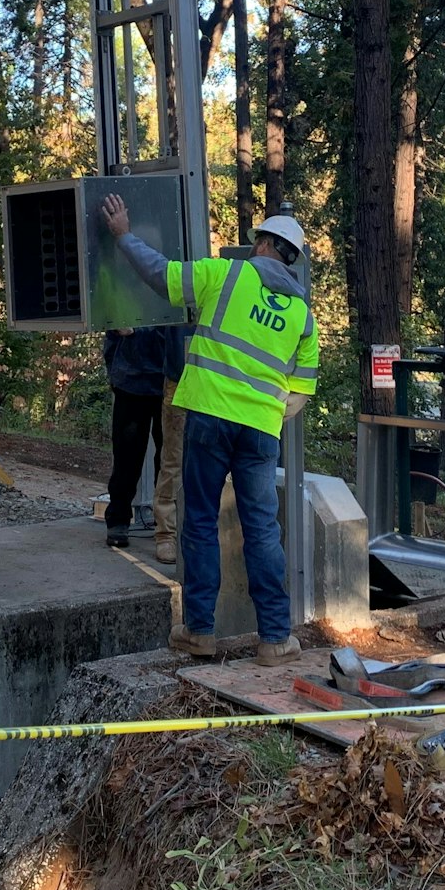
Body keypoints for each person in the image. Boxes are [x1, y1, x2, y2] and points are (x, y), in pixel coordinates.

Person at [100, 195, 318, 666]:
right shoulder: (303, 315)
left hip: (208, 418)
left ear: (260, 242)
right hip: (261, 432)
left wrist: (122, 234)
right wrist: (264, 412)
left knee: (199, 521)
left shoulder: (228, 275)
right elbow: (302, 390)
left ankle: (200, 631)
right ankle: (276, 639)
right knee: (262, 529)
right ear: (292, 260)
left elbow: (162, 275)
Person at [101, 323, 188, 551]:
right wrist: (114, 369)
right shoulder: (127, 288)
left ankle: (165, 526)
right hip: (132, 378)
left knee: (169, 459)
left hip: (171, 377)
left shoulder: (178, 291)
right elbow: (112, 325)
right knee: (127, 456)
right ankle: (119, 519)